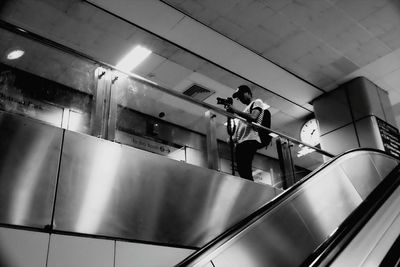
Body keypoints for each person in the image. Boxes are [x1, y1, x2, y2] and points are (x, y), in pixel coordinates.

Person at [226, 85, 269, 181]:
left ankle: (252, 188)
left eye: (241, 94)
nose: (240, 98)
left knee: (245, 169)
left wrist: (234, 110)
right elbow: (242, 128)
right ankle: (249, 186)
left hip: (250, 140)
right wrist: (233, 138)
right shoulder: (245, 111)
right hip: (242, 142)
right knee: (242, 170)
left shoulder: (257, 102)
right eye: (238, 97)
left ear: (248, 93)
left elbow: (253, 117)